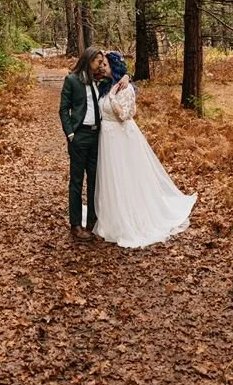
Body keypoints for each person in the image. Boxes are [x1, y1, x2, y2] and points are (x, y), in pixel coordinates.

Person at [91, 51, 197, 248]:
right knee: (111, 177)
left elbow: (124, 115)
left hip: (121, 139)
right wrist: (120, 80)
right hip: (107, 138)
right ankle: (110, 215)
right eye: (101, 64)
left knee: (125, 176)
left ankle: (129, 217)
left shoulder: (125, 89)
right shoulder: (104, 85)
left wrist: (115, 95)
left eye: (105, 64)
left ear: (113, 66)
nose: (102, 67)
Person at [58, 48, 112, 241]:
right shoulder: (72, 80)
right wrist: (70, 133)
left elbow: (121, 73)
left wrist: (125, 75)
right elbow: (63, 109)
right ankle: (76, 225)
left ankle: (92, 222)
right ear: (88, 60)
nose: (100, 64)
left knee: (95, 181)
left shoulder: (100, 80)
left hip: (97, 136)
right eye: (97, 61)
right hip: (79, 136)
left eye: (101, 61)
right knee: (76, 181)